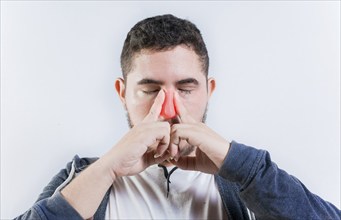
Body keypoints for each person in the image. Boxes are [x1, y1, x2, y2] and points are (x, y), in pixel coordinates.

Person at [16, 14, 340, 220]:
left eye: (185, 88)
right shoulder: (84, 177)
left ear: (209, 91)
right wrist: (109, 168)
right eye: (150, 90)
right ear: (122, 92)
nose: (168, 110)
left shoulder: (248, 184)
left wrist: (237, 164)